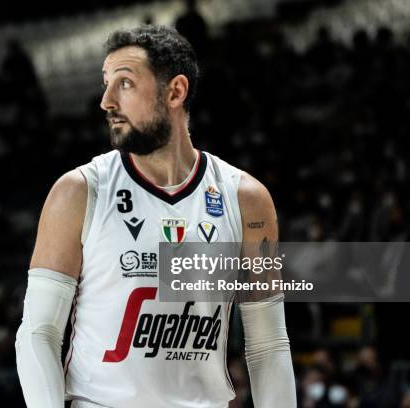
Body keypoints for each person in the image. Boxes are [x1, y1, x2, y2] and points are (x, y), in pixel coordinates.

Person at [15, 25, 296, 407]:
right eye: (106, 83)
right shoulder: (79, 191)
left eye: (125, 83)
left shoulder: (245, 198)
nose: (106, 101)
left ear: (175, 92)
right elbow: (38, 333)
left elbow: (268, 346)